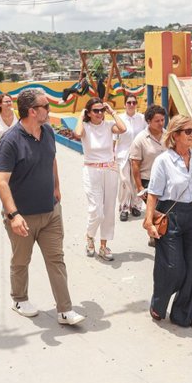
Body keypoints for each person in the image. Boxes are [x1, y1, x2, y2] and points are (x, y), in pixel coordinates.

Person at [0, 88, 85, 325]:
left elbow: (52, 158)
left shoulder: (47, 131)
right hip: (23, 217)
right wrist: (13, 215)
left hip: (51, 212)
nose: (50, 109)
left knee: (56, 259)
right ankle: (19, 298)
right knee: (21, 260)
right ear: (32, 111)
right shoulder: (10, 141)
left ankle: (65, 310)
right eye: (46, 106)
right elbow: (1, 180)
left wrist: (56, 187)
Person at [143, 115, 192, 331]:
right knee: (173, 267)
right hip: (170, 215)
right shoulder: (164, 161)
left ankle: (185, 313)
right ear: (175, 135)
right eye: (188, 131)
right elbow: (153, 194)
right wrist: (148, 221)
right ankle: (159, 302)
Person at [73, 96, 127, 261]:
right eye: (95, 110)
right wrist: (81, 117)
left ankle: (103, 246)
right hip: (91, 170)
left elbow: (123, 128)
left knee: (109, 210)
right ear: (89, 113)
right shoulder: (86, 127)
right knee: (97, 210)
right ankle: (90, 236)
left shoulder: (109, 125)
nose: (99, 113)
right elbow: (77, 133)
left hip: (109, 169)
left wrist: (112, 111)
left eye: (101, 110)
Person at [129, 104, 167, 247]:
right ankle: (155, 235)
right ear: (149, 121)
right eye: (157, 121)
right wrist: (139, 187)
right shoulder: (140, 139)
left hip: (167, 180)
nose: (161, 123)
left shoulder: (168, 135)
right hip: (148, 181)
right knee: (156, 210)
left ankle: (159, 234)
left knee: (165, 209)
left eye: (162, 120)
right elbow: (135, 165)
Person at [115, 93, 146, 221]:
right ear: (124, 104)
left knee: (136, 181)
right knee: (124, 181)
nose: (132, 105)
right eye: (129, 102)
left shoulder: (142, 118)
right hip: (123, 154)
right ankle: (124, 208)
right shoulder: (119, 119)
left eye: (134, 102)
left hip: (138, 155)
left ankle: (136, 206)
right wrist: (112, 155)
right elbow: (113, 138)